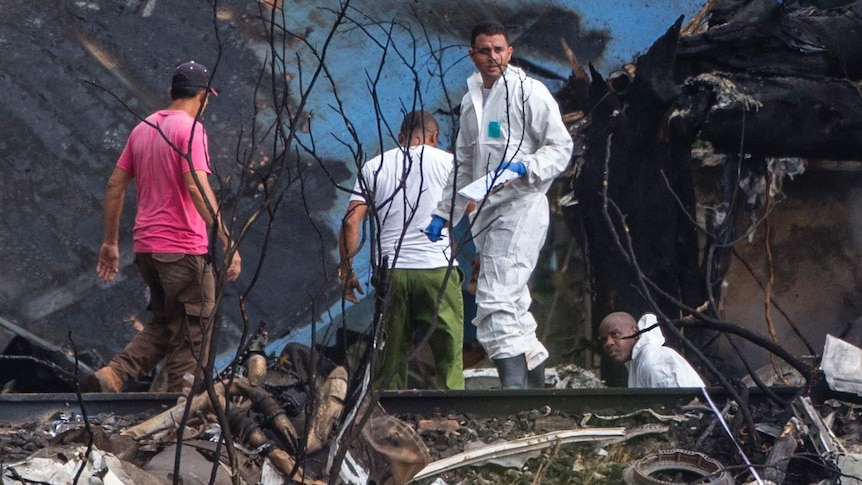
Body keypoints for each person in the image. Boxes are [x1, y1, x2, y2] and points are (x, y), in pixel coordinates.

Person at [424, 20, 573, 389]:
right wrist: (444, 214)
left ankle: (513, 392)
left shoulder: (529, 93)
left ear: (510, 52)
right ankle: (535, 392)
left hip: (522, 203)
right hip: (486, 211)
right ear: (472, 55)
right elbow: (464, 165)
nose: (493, 57)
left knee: (495, 296)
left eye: (499, 50)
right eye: (485, 50)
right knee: (514, 303)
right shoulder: (471, 100)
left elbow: (561, 146)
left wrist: (528, 165)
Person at [90, 60, 242, 393]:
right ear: (203, 96)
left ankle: (114, 375)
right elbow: (195, 186)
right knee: (194, 331)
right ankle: (181, 412)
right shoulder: (191, 130)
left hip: (147, 250)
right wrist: (227, 239)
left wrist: (110, 243)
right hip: (183, 249)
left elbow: (115, 185)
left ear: (171, 91)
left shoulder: (144, 128)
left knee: (167, 322)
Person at [339, 110, 464, 390]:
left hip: (392, 271)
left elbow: (350, 222)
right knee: (449, 348)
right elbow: (469, 207)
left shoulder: (375, 166)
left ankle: (389, 413)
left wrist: (346, 270)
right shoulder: (449, 163)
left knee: (392, 351)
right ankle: (453, 410)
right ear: (434, 137)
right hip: (437, 270)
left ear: (400, 138)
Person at [598, 312, 705, 388]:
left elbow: (677, 410)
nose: (608, 343)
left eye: (615, 335)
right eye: (604, 340)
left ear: (634, 332)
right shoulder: (638, 362)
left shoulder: (654, 361)